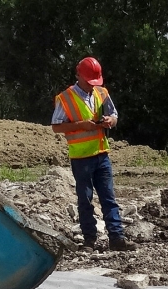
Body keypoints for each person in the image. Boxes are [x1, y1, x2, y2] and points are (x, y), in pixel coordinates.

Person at [51, 57, 137, 252]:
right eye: (89, 82)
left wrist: (110, 121)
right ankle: (89, 240)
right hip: (81, 158)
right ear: (78, 75)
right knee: (85, 199)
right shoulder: (65, 98)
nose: (92, 86)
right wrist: (82, 125)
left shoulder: (101, 92)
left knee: (109, 197)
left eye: (95, 82)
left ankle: (116, 238)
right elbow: (56, 126)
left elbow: (114, 115)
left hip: (101, 154)